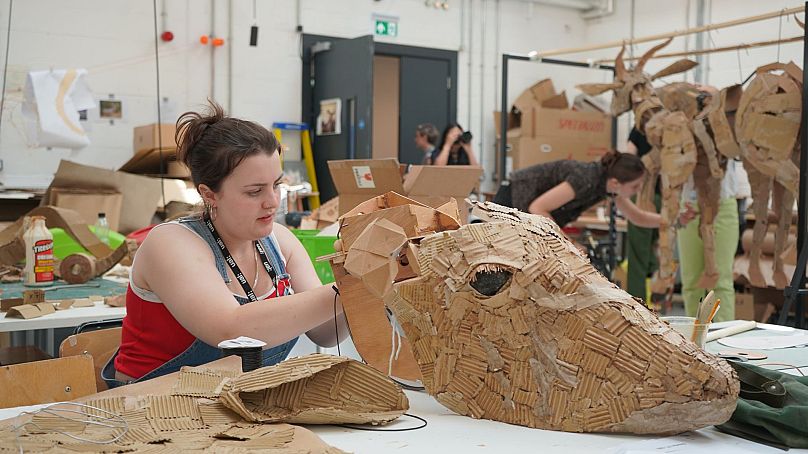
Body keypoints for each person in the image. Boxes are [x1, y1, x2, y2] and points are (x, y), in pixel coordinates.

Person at [103, 101, 349, 387]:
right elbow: (231, 330)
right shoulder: (171, 244)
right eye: (255, 191)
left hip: (233, 403)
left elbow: (326, 333)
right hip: (147, 409)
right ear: (209, 194)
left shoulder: (279, 242)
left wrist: (365, 280)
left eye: (276, 185)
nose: (272, 201)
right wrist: (347, 288)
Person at [492, 150, 693, 229]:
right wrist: (566, 243)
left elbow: (637, 216)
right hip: (511, 201)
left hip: (524, 212)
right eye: (635, 186)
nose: (637, 190)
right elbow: (538, 208)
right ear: (616, 182)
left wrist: (674, 221)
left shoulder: (608, 187)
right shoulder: (585, 177)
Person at [625, 127, 662, 301]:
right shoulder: (675, 122)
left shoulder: (641, 128)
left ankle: (638, 305)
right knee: (656, 248)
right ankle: (656, 294)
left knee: (638, 255)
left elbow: (628, 160)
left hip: (643, 195)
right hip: (669, 197)